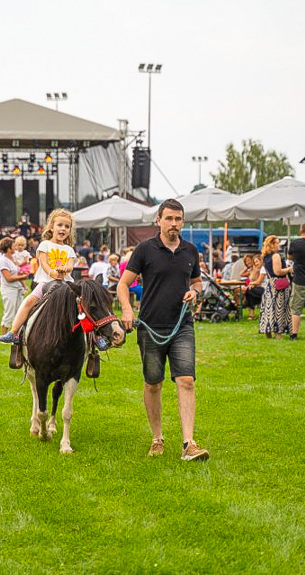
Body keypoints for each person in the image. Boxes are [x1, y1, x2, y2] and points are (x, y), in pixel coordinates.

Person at [117, 198, 208, 462]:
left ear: (183, 221)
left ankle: (189, 443)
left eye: (178, 219)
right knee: (153, 383)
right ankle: (157, 438)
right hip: (150, 327)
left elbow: (198, 282)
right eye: (168, 218)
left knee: (186, 380)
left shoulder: (191, 251)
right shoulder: (145, 249)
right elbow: (124, 285)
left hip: (182, 325)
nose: (173, 224)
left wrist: (195, 292)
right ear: (158, 220)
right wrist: (127, 310)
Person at [0, 209, 76, 345]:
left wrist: (65, 269)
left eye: (67, 226)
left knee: (82, 305)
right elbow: (43, 262)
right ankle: (14, 332)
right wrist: (53, 273)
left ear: (70, 230)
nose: (63, 229)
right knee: (29, 302)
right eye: (60, 225)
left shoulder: (69, 250)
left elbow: (70, 265)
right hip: (46, 282)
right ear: (52, 227)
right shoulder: (45, 245)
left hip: (66, 284)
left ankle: (95, 337)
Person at [258, 235, 292, 339]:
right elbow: (278, 271)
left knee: (268, 309)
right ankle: (278, 333)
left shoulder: (265, 257)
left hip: (271, 284)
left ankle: (267, 331)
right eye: (277, 243)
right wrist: (289, 269)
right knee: (279, 309)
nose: (278, 245)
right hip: (279, 284)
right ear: (272, 244)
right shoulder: (276, 256)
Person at [0, 237, 26, 335]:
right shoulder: (3, 260)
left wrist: (21, 274)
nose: (15, 248)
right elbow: (8, 278)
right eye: (13, 246)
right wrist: (21, 276)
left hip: (17, 289)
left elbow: (16, 272)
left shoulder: (12, 258)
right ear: (9, 248)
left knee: (19, 313)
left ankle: (16, 336)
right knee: (9, 313)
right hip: (9, 290)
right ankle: (4, 336)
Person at [243, 255, 265, 321]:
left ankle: (251, 313)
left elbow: (258, 282)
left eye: (257, 261)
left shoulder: (263, 269)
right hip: (261, 288)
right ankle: (251, 314)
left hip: (266, 289)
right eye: (255, 262)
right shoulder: (260, 269)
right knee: (249, 292)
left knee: (248, 291)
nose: (256, 263)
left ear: (261, 261)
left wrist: (250, 284)